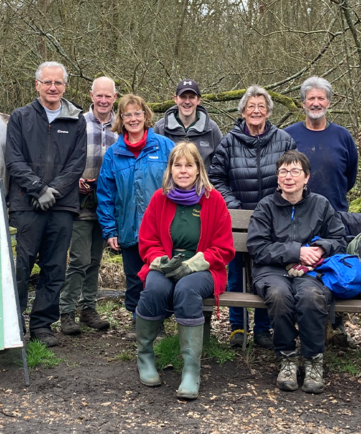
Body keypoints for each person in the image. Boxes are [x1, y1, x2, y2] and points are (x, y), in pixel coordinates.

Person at [135, 142, 234, 400]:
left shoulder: (213, 200)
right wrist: (159, 261)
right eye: (177, 165)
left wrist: (192, 265)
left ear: (198, 169)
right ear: (170, 169)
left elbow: (223, 248)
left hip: (203, 268)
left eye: (189, 165)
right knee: (154, 289)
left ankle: (191, 369)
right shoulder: (159, 198)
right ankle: (145, 354)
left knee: (187, 290)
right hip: (166, 264)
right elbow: (147, 240)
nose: (183, 170)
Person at [246, 150, 347, 393]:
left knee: (311, 297)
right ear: (277, 177)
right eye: (283, 171)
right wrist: (296, 251)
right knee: (280, 296)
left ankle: (313, 360)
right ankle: (287, 357)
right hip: (271, 270)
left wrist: (320, 249)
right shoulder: (266, 207)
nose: (288, 177)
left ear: (306, 177)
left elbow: (339, 239)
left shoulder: (321, 205)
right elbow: (257, 247)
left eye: (294, 171)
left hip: (311, 271)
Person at [6, 61, 87, 347]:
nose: (53, 88)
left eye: (58, 83)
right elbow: (14, 160)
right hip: (26, 205)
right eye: (47, 82)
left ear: (65, 86)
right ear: (37, 84)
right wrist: (38, 189)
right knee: (21, 267)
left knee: (54, 268)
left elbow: (77, 163)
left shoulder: (77, 119)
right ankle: (13, 323)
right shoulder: (20, 117)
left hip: (62, 206)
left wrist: (53, 191)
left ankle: (42, 325)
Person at [208, 85, 296, 348]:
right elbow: (216, 178)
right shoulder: (229, 141)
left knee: (268, 273)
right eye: (251, 106)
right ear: (243, 111)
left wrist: (275, 203)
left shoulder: (284, 140)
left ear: (269, 111)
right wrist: (234, 207)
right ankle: (237, 327)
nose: (256, 111)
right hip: (237, 218)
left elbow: (294, 172)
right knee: (235, 273)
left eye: (261, 106)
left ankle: (262, 328)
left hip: (273, 218)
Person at [97, 94, 175, 337]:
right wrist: (110, 229)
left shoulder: (164, 146)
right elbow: (105, 193)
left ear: (146, 115)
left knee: (159, 275)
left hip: (161, 227)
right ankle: (137, 320)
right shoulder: (114, 153)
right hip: (128, 226)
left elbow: (179, 183)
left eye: (137, 113)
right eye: (127, 114)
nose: (133, 119)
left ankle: (158, 321)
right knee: (133, 277)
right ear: (120, 119)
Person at [59, 77, 118, 335]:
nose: (103, 100)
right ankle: (66, 311)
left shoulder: (121, 125)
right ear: (91, 95)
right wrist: (75, 181)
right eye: (99, 96)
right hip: (80, 202)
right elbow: (65, 159)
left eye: (108, 96)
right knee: (79, 259)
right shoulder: (78, 123)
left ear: (115, 97)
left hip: (108, 206)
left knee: (95, 259)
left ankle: (88, 308)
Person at [284, 77, 358, 212]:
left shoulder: (343, 136)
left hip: (335, 214)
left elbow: (350, 178)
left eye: (321, 98)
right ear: (303, 103)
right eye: (311, 98)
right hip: (295, 214)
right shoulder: (287, 136)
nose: (316, 103)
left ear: (328, 103)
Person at [152, 79, 223, 164]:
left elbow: (221, 163)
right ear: (175, 99)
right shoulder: (160, 128)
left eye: (192, 97)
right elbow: (152, 163)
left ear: (198, 100)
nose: (187, 101)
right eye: (183, 97)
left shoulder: (211, 129)